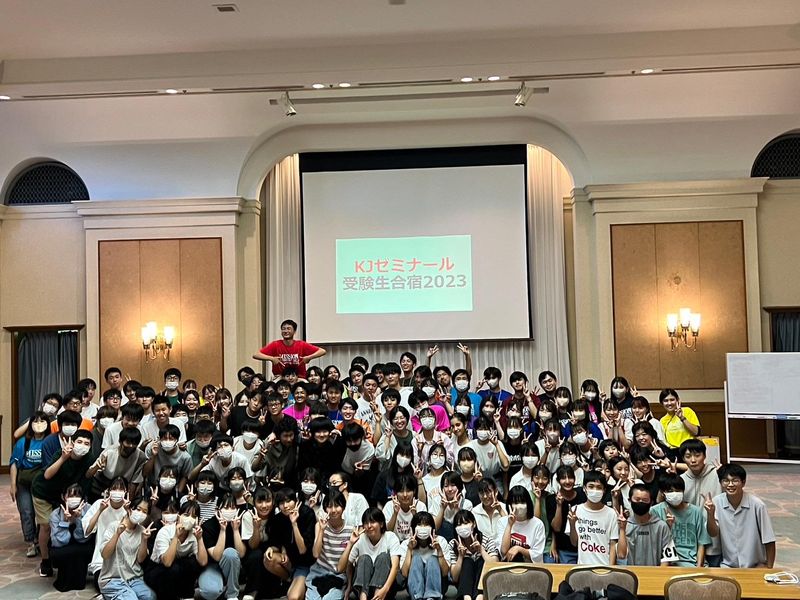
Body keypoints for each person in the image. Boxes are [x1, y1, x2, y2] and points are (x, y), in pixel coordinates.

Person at [32, 426, 94, 577]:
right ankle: (45, 561)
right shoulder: (61, 453)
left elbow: (85, 483)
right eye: (79, 442)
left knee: (68, 521)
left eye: (87, 443)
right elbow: (47, 475)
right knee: (46, 525)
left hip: (65, 494)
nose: (82, 446)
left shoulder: (89, 459)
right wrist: (63, 458)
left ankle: (63, 557)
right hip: (43, 491)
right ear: (72, 442)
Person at [705, 463, 776, 568]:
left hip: (755, 566)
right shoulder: (716, 502)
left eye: (735, 480)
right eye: (725, 481)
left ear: (743, 482)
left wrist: (769, 568)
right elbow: (713, 533)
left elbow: (769, 539)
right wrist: (710, 514)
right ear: (720, 483)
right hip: (727, 565)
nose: (730, 484)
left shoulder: (757, 505)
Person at [146, 500, 208, 600]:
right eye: (186, 515)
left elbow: (203, 562)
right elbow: (167, 562)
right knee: (174, 568)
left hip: (177, 569)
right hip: (157, 569)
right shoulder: (165, 531)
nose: (190, 519)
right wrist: (176, 536)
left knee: (193, 563)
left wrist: (200, 538)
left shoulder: (194, 534)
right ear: (179, 516)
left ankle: (187, 595)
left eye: (194, 516)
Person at [10, 410, 50, 558]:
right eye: (36, 421)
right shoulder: (23, 442)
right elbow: (14, 464)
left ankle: (41, 540)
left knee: (42, 514)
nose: (39, 424)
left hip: (43, 484)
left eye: (42, 421)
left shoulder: (50, 441)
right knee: (26, 512)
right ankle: (30, 541)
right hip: (24, 483)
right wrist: (13, 485)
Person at [338, 507, 402, 600]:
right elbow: (346, 565)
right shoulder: (360, 539)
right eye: (366, 523)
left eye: (372, 522)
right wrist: (349, 586)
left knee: (383, 557)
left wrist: (385, 589)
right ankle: (363, 597)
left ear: (381, 524)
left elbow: (395, 566)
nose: (369, 526)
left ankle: (377, 597)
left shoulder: (390, 537)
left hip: (385, 588)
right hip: (362, 588)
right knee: (364, 558)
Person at [98, 496, 155, 600]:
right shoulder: (114, 526)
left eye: (144, 512)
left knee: (150, 597)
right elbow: (105, 554)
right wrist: (117, 534)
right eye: (138, 509)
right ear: (129, 509)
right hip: (112, 579)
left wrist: (144, 540)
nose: (140, 513)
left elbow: (140, 559)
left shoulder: (142, 530)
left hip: (134, 578)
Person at [650, 473, 710, 567]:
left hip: (691, 562)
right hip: (666, 563)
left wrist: (699, 568)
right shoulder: (655, 511)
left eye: (678, 490)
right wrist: (667, 527)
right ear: (662, 492)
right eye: (670, 491)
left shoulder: (696, 512)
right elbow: (654, 543)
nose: (674, 494)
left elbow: (702, 543)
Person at [83, 477, 131, 591]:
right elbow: (88, 530)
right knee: (102, 585)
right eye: (114, 488)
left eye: (121, 489)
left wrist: (128, 511)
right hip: (101, 559)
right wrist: (100, 510)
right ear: (108, 491)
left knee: (127, 583)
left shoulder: (129, 508)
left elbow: (132, 532)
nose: (117, 492)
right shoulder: (99, 504)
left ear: (126, 492)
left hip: (123, 559)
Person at [680, 438, 723, 566]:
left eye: (697, 455)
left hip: (715, 536)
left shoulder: (717, 474)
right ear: (683, 459)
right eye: (688, 456)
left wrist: (725, 475)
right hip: (692, 540)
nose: (693, 460)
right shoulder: (681, 480)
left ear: (704, 456)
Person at [305, 490, 353, 600]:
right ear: (325, 509)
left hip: (338, 576)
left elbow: (348, 564)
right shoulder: (320, 525)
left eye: (337, 506)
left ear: (343, 507)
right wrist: (322, 530)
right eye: (330, 506)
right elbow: (315, 554)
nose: (333, 510)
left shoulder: (351, 529)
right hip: (318, 572)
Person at [198, 494, 247, 600]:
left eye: (233, 508)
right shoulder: (208, 526)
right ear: (217, 510)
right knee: (210, 592)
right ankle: (221, 585)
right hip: (213, 566)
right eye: (225, 507)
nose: (229, 511)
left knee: (230, 553)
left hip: (235, 566)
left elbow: (241, 554)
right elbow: (216, 557)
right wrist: (223, 530)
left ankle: (232, 594)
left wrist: (235, 530)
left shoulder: (241, 523)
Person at [616, 484, 676, 566]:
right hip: (631, 572)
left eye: (645, 500)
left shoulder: (661, 526)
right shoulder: (625, 525)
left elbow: (667, 559)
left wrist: (660, 573)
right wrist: (622, 529)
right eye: (637, 499)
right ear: (630, 500)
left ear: (651, 503)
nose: (641, 502)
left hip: (656, 572)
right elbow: (621, 555)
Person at [568, 470, 619, 565]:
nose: (595, 490)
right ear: (584, 488)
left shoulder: (611, 513)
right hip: (583, 567)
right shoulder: (575, 510)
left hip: (604, 566)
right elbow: (574, 543)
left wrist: (610, 568)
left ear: (604, 490)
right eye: (591, 486)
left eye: (599, 487)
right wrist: (572, 524)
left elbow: (613, 544)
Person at [49, 483, 93, 591]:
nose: (74, 499)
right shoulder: (55, 514)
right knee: (64, 552)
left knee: (80, 550)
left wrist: (78, 519)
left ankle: (80, 581)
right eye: (70, 496)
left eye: (77, 495)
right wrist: (65, 522)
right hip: (63, 546)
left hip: (82, 544)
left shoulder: (88, 509)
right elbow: (58, 542)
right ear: (63, 497)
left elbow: (83, 538)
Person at [399, 511, 451, 600]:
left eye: (426, 525)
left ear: (432, 528)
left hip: (439, 586)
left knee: (432, 559)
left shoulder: (441, 541)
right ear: (413, 528)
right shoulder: (406, 543)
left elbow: (445, 572)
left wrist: (439, 550)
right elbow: (404, 573)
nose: (423, 528)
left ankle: (432, 597)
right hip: (414, 588)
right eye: (419, 524)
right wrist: (409, 549)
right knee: (416, 559)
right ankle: (418, 597)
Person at [449, 508, 498, 600]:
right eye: (459, 524)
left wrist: (481, 550)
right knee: (467, 561)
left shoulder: (487, 540)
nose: (462, 527)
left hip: (484, 585)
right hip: (463, 585)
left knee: (481, 561)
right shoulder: (453, 544)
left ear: (474, 524)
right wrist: (460, 557)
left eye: (466, 523)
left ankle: (480, 596)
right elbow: (455, 577)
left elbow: (494, 566)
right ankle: (467, 598)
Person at [253, 318, 327, 379]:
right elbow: (256, 355)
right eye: (283, 329)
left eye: (288, 329)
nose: (286, 331)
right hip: (281, 378)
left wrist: (309, 357)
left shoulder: (301, 344)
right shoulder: (275, 344)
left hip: (299, 377)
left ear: (294, 331)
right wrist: (272, 358)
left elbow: (322, 351)